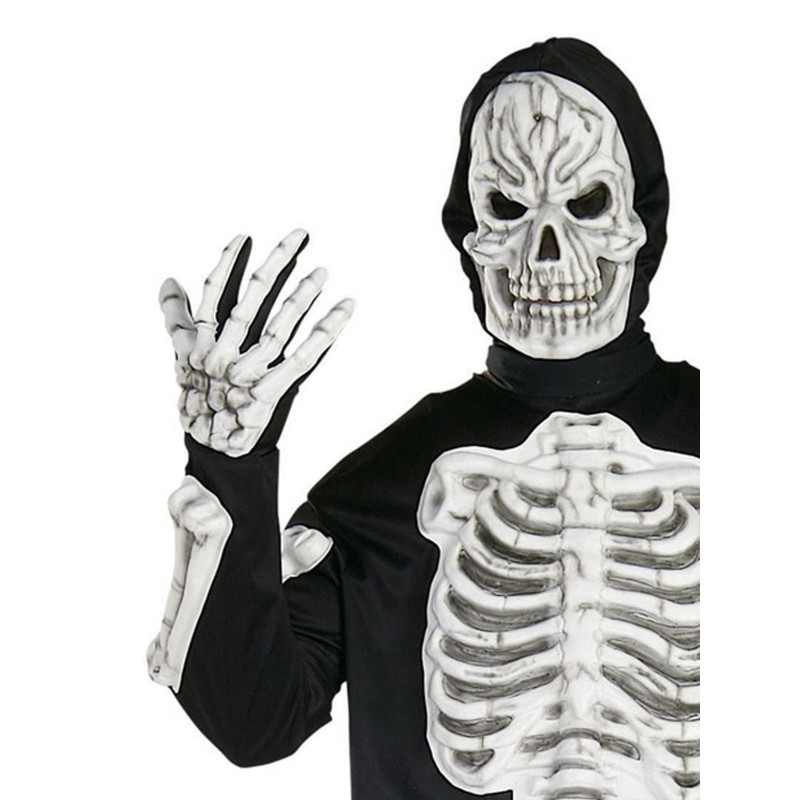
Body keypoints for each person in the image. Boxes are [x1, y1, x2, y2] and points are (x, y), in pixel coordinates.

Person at [148, 37, 699, 800]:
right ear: (467, 233)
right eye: (508, 208)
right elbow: (254, 721)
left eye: (586, 204)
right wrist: (230, 470)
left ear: (642, 218)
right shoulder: (384, 487)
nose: (546, 253)